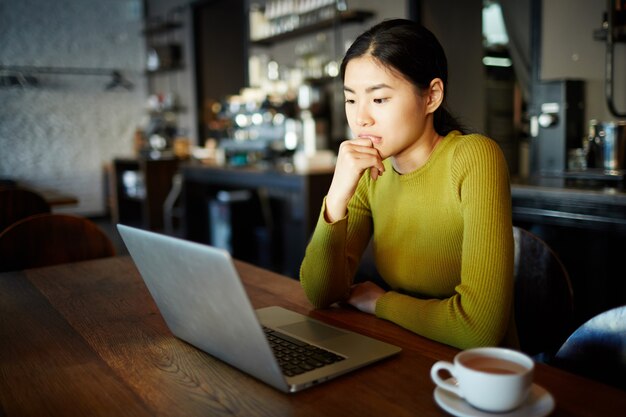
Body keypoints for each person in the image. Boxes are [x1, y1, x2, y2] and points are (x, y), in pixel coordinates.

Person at [299, 19, 517, 350]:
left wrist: (380, 303)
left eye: (379, 99)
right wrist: (337, 193)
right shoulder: (370, 168)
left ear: (431, 96)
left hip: (477, 377)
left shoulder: (475, 157)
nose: (360, 119)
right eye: (351, 100)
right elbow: (321, 294)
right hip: (405, 351)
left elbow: (479, 329)